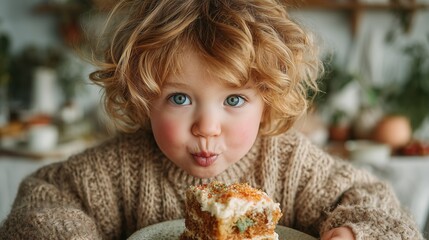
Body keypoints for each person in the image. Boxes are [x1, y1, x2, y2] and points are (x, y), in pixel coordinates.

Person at [0, 0, 423, 239]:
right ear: (144, 98)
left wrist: (355, 234)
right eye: (180, 97)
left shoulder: (292, 164)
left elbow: (378, 206)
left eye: (234, 99)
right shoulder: (117, 170)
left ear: (268, 103)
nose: (207, 126)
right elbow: (43, 200)